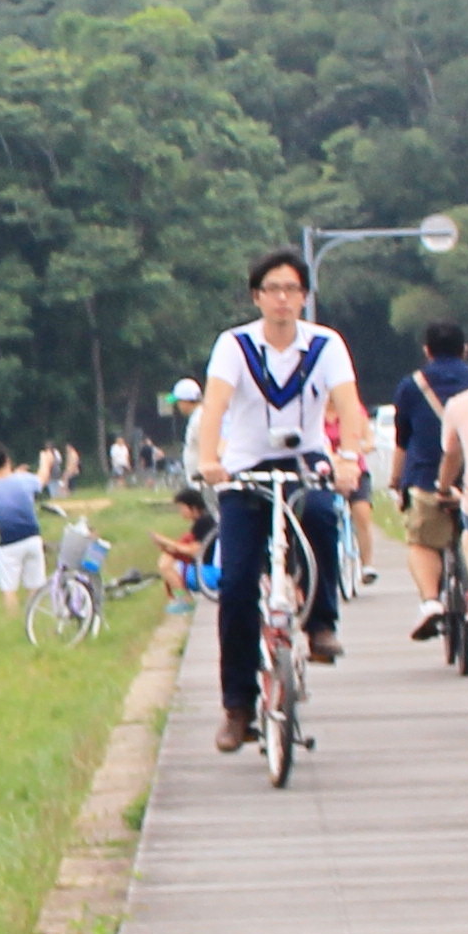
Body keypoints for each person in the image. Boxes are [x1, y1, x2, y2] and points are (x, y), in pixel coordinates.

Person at [189, 248, 365, 755]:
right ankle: (237, 704)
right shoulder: (235, 345)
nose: (282, 299)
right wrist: (209, 460)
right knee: (239, 581)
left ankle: (322, 622)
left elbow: (349, 404)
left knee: (323, 516)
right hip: (245, 468)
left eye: (291, 289)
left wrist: (349, 457)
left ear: (304, 296)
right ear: (256, 297)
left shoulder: (325, 344)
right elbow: (216, 404)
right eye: (272, 290)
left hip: (304, 461)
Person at [387, 316, 468, 639]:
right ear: (465, 349)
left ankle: (430, 602)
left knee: (423, 544)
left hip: (426, 480)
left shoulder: (412, 386)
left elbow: (402, 440)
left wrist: (396, 480)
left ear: (427, 350)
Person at [0, 446, 47, 612]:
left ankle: (12, 619)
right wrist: (46, 461)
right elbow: (42, 479)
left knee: (9, 588)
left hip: (8, 542)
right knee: (35, 585)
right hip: (32, 537)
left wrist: (16, 474)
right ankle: (32, 619)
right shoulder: (24, 479)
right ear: (7, 460)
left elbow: (5, 484)